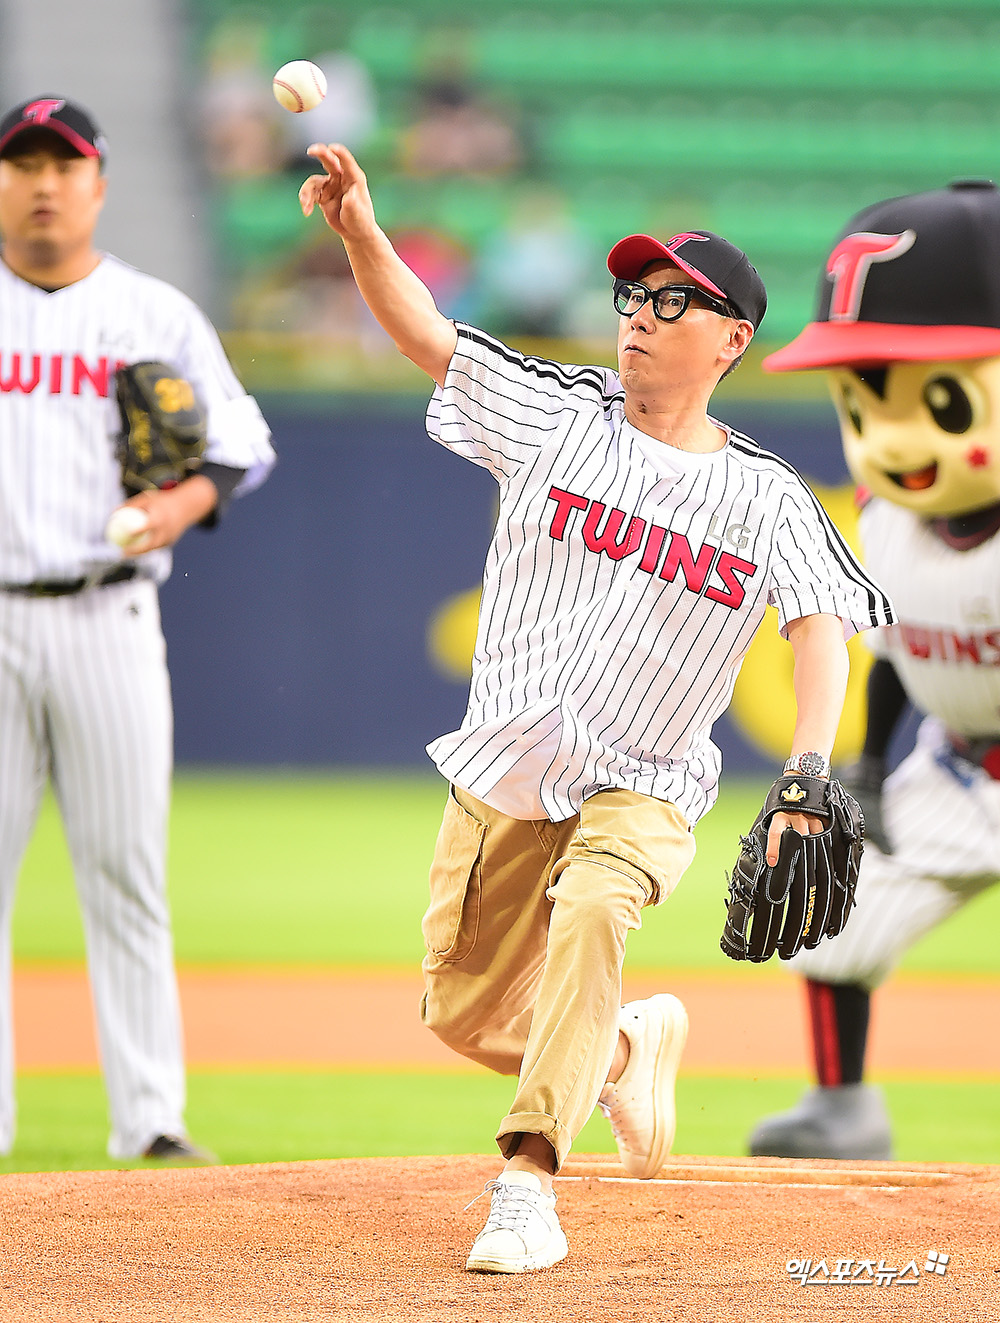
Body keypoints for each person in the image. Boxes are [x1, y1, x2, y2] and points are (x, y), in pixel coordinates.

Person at [298, 141, 893, 1273]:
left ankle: (526, 1182)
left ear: (732, 338)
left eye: (675, 300)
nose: (641, 316)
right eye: (633, 295)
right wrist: (363, 233)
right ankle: (620, 1055)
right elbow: (426, 335)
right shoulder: (555, 415)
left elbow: (821, 622)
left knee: (592, 912)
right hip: (505, 769)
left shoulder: (765, 495)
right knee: (461, 1015)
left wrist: (808, 768)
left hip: (644, 781)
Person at [0, 96, 275, 1162]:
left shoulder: (154, 312)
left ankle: (151, 1120)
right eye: (23, 162)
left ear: (98, 184)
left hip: (108, 609)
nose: (43, 182)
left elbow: (243, 440)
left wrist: (178, 503)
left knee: (124, 870)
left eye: (62, 164)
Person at [748, 180, 1000, 1161]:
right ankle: (839, 1107)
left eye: (939, 396)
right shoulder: (887, 517)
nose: (892, 437)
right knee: (826, 917)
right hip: (958, 765)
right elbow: (895, 651)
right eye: (863, 399)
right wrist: (865, 766)